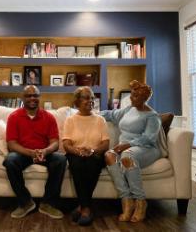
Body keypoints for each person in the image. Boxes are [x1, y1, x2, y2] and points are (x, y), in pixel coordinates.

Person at [100, 80, 161, 222]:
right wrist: (92, 113)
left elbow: (149, 139)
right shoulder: (129, 109)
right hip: (125, 147)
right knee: (109, 155)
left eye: (135, 96)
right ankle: (126, 201)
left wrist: (126, 145)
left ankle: (140, 202)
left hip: (146, 149)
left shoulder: (152, 116)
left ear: (144, 98)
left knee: (127, 156)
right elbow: (111, 114)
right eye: (131, 95)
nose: (131, 98)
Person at [3, 85, 67, 219]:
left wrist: (45, 151)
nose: (32, 98)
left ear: (39, 97)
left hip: (45, 153)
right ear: (23, 98)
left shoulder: (49, 117)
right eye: (28, 95)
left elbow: (55, 142)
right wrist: (30, 153)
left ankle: (48, 204)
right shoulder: (14, 117)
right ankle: (25, 203)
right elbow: (12, 144)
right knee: (10, 160)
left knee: (60, 160)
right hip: (23, 154)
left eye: (35, 95)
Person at [62, 86, 110, 226]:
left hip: (95, 154)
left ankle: (83, 208)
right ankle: (86, 207)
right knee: (77, 164)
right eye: (86, 98)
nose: (90, 101)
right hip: (76, 154)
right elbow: (66, 144)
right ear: (77, 101)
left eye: (92, 98)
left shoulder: (100, 120)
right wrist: (78, 151)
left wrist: (93, 151)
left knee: (91, 163)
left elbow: (106, 144)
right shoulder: (70, 120)